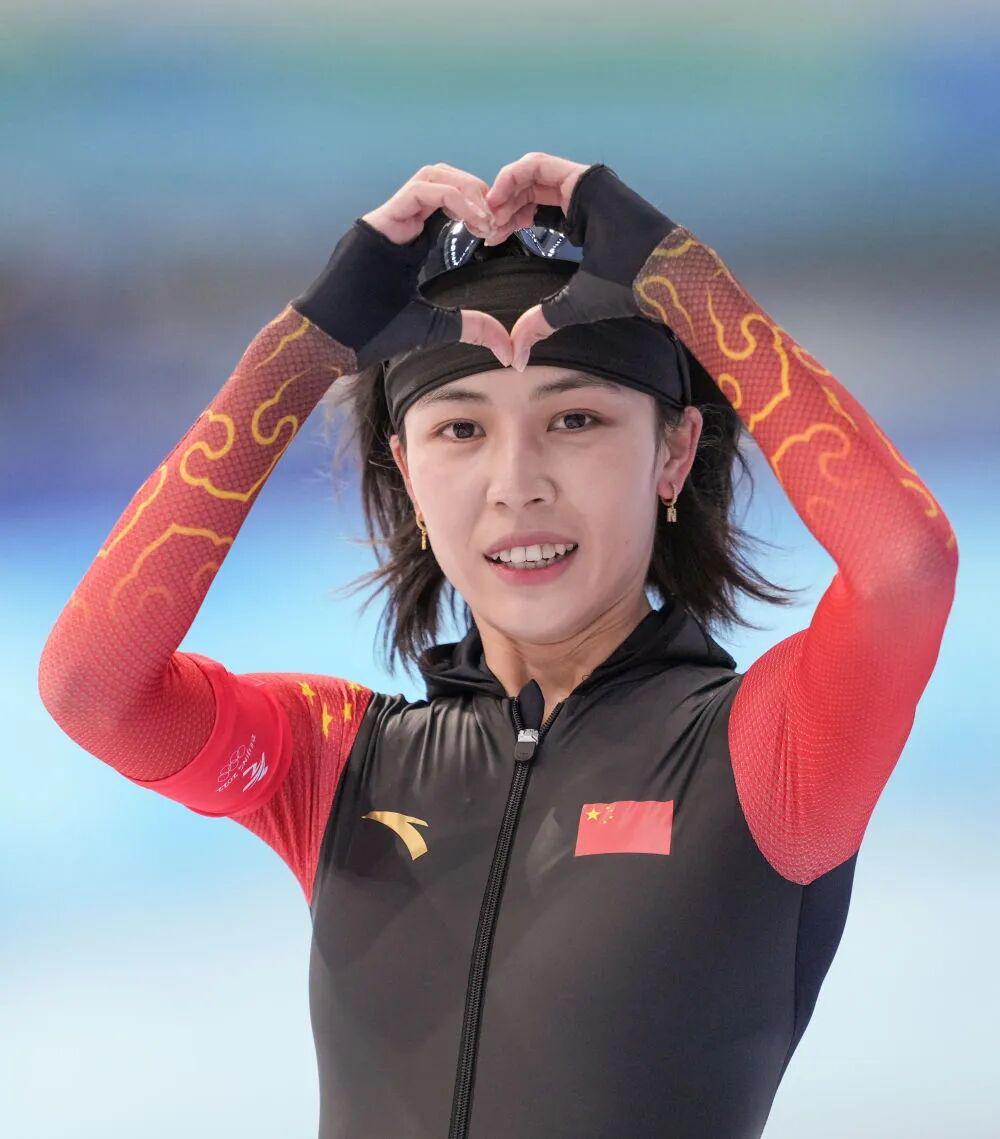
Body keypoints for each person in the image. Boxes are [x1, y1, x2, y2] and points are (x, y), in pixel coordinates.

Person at [37, 154, 958, 1138]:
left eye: (575, 418)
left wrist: (685, 280)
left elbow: (905, 567)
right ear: (406, 470)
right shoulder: (340, 763)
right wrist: (301, 353)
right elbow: (92, 687)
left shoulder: (761, 758)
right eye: (461, 430)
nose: (517, 483)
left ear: (674, 451)